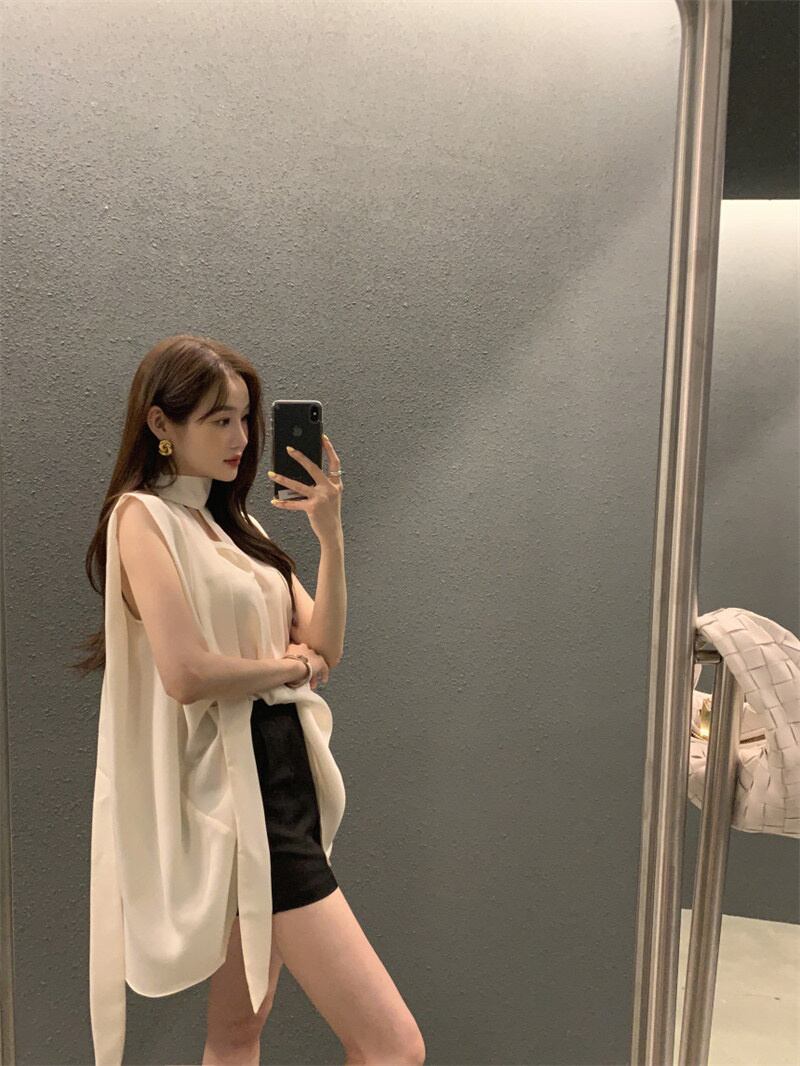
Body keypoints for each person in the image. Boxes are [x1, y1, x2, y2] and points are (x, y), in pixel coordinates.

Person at [77, 334, 425, 1065]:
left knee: (236, 1035)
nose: (240, 438)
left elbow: (325, 645)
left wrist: (330, 537)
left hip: (283, 785)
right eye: (219, 420)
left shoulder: (240, 526)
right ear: (161, 424)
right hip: (244, 804)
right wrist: (285, 669)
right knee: (394, 1047)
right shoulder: (141, 518)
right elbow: (186, 674)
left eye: (244, 419)